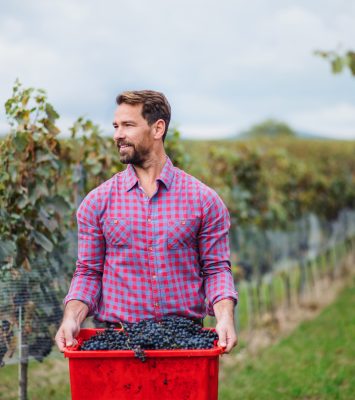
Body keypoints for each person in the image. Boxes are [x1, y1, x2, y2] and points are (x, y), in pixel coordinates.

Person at [54, 90, 238, 353]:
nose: (118, 134)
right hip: (118, 342)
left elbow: (216, 270)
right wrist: (71, 318)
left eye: (128, 125)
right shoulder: (97, 203)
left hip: (184, 341)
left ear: (157, 128)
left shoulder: (204, 201)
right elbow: (88, 272)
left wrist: (225, 318)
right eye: (116, 126)